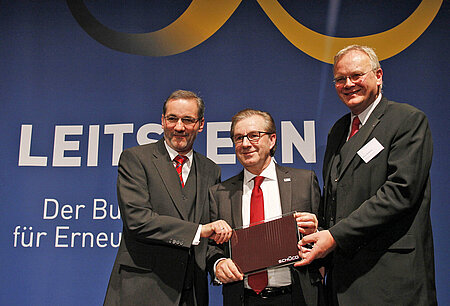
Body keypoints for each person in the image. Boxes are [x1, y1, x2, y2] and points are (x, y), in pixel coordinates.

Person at [296, 45, 437, 305]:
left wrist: (335, 236)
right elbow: (336, 197)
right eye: (340, 79)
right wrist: (322, 230)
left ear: (378, 76)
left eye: (356, 75)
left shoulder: (407, 120)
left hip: (391, 278)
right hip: (344, 280)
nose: (348, 84)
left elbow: (400, 193)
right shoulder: (338, 130)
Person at [104, 90, 233, 306]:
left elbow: (212, 235)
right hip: (143, 289)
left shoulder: (211, 170)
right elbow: (138, 220)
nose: (179, 127)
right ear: (163, 121)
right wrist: (199, 231)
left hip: (192, 291)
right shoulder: (136, 159)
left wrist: (218, 262)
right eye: (172, 118)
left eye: (188, 120)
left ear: (201, 124)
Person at [208, 109, 323, 306]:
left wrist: (317, 231)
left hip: (297, 297)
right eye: (238, 138)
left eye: (253, 136)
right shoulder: (220, 193)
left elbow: (328, 232)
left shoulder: (303, 182)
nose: (245, 144)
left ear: (272, 140)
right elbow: (210, 247)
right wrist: (217, 264)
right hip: (243, 299)